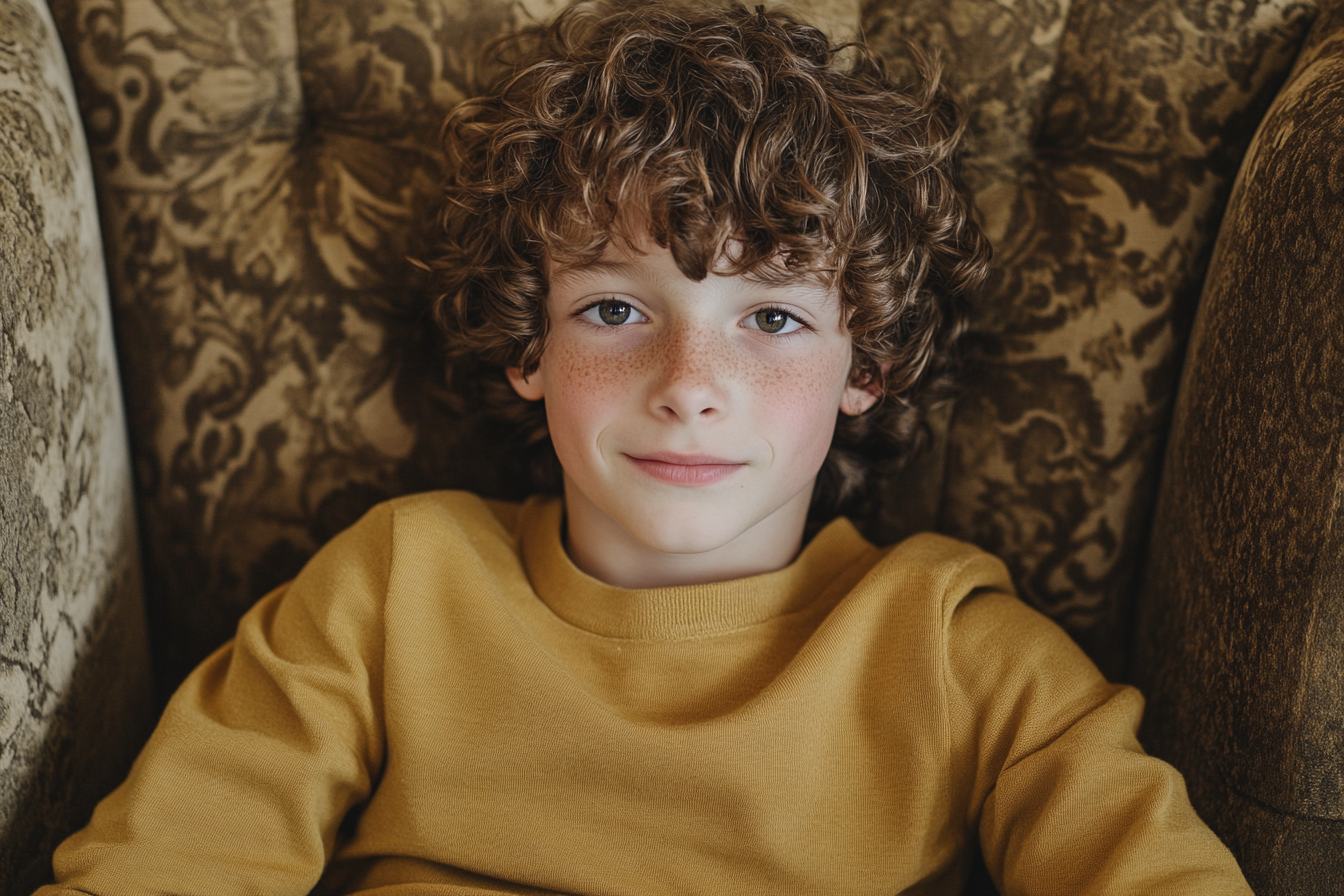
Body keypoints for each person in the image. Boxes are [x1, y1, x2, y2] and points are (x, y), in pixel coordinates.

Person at [38, 2, 1252, 894]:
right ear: (528, 344)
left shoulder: (958, 647)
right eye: (616, 310)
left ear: (867, 366)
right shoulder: (394, 586)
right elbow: (162, 864)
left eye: (771, 318)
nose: (689, 387)